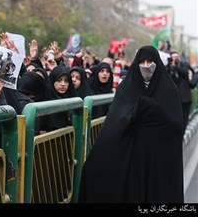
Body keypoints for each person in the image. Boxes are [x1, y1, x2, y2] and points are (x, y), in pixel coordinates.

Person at [79, 45, 184, 203]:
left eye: (151, 62)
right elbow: (116, 121)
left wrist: (148, 108)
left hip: (156, 156)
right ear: (136, 63)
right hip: (131, 150)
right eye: (143, 62)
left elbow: (175, 124)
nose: (147, 66)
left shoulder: (169, 89)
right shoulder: (126, 88)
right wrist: (137, 111)